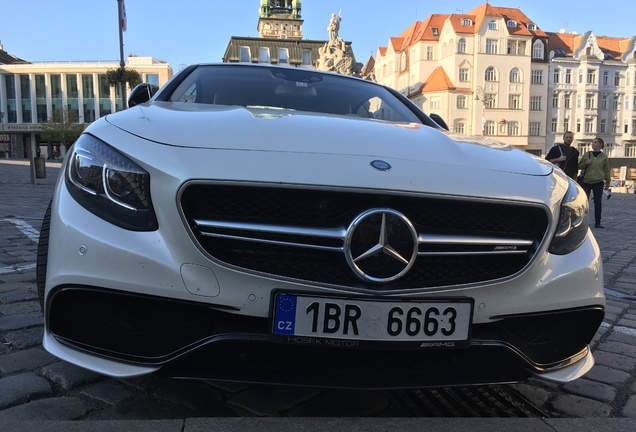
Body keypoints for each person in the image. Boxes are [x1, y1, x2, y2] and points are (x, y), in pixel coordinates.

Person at [578, 137, 611, 228]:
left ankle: (598, 222)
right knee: (584, 202)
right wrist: (586, 163)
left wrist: (608, 181)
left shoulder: (604, 156)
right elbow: (579, 166)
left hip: (598, 182)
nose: (593, 144)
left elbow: (606, 169)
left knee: (597, 202)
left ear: (600, 144)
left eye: (595, 142)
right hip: (586, 181)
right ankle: (581, 221)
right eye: (592, 142)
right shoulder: (587, 154)